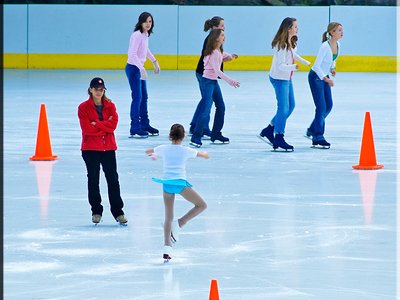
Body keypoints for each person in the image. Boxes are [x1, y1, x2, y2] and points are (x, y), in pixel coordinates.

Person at [145, 124, 208, 262]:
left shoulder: (163, 148)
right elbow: (203, 155)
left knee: (168, 216)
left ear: (170, 135)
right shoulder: (186, 150)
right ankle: (180, 223)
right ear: (183, 136)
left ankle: (167, 247)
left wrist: (154, 154)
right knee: (202, 205)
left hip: (167, 184)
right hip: (180, 184)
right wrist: (205, 154)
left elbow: (148, 151)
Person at [78, 77, 128, 225]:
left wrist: (97, 124)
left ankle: (118, 212)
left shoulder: (110, 105)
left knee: (113, 180)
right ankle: (96, 211)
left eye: (101, 89)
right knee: (93, 180)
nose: (99, 92)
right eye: (96, 89)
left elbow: (113, 126)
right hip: (90, 149)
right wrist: (104, 127)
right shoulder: (83, 107)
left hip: (108, 148)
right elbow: (86, 129)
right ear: (90, 90)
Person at [259, 17, 310, 151]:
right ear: (288, 29)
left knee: (290, 106)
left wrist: (306, 62)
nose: (297, 29)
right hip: (279, 78)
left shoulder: (291, 41)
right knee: (283, 108)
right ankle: (279, 137)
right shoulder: (281, 45)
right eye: (295, 27)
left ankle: (269, 129)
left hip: (286, 78)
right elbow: (281, 66)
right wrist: (293, 67)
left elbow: (294, 55)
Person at [190, 29, 240, 148]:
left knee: (221, 106)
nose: (224, 37)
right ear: (216, 38)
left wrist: (230, 56)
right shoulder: (214, 53)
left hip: (212, 82)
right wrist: (231, 81)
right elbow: (217, 71)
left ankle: (216, 134)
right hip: (208, 82)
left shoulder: (218, 51)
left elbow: (222, 55)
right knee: (206, 110)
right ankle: (196, 137)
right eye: (222, 35)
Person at [306, 22, 343, 149]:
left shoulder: (338, 44)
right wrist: (326, 79)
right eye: (339, 30)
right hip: (316, 77)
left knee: (329, 106)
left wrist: (332, 68)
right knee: (321, 107)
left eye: (341, 30)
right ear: (332, 32)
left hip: (324, 76)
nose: (341, 33)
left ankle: (312, 129)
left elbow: (332, 60)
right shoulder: (324, 46)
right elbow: (316, 66)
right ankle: (318, 136)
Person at [125, 12, 160, 138]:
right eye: (146, 21)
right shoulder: (137, 35)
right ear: (141, 22)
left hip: (139, 68)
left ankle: (145, 124)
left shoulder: (145, 35)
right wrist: (141, 69)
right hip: (133, 69)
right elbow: (132, 54)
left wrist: (155, 61)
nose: (148, 24)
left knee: (144, 97)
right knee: (137, 97)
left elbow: (145, 50)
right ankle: (134, 127)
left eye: (150, 21)